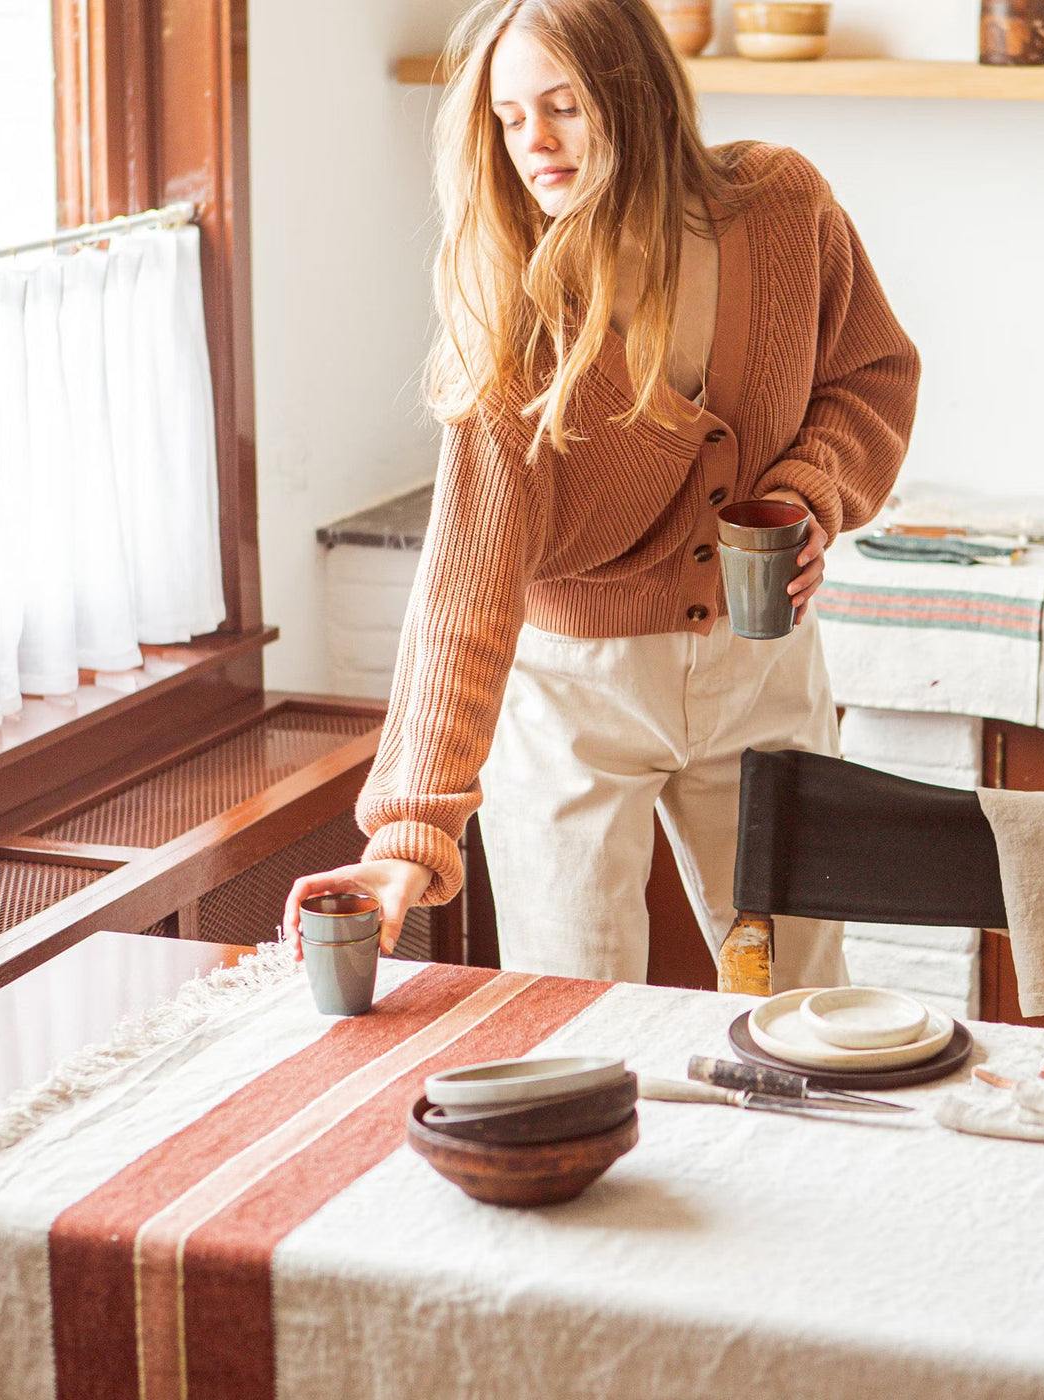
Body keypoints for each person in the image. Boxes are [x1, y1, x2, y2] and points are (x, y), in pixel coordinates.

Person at [282, 0, 920, 989]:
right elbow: (465, 593)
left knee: (806, 997)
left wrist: (806, 493)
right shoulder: (517, 328)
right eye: (507, 116)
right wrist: (408, 832)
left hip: (761, 674)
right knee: (577, 1001)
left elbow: (868, 373)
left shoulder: (783, 210)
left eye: (562, 105)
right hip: (574, 696)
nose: (531, 140)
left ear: (635, 96)